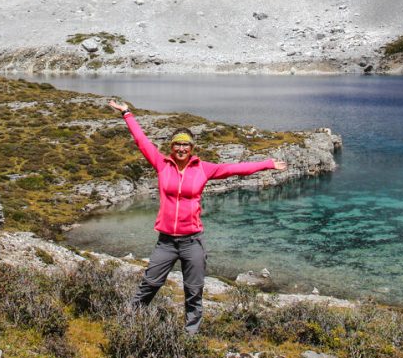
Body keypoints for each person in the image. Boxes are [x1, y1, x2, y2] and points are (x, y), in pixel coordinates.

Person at [108, 97, 288, 334]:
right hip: (166, 241)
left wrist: (266, 164)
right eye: (177, 145)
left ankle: (189, 336)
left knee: (193, 291)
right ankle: (127, 323)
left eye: (186, 145)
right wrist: (127, 114)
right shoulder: (162, 164)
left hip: (192, 241)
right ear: (171, 147)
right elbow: (142, 142)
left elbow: (234, 169)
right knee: (150, 283)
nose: (181, 149)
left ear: (192, 148)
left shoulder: (203, 168)